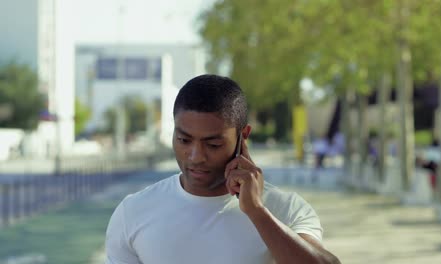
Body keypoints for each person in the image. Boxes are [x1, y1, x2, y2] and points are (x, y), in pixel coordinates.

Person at [105, 74, 341, 264]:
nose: (196, 157)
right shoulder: (133, 212)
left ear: (243, 137)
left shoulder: (285, 209)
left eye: (213, 144)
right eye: (184, 140)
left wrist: (257, 212)